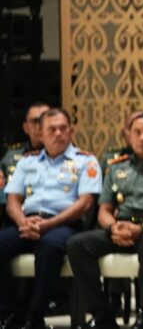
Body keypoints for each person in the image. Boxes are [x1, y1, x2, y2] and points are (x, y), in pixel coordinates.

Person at [67, 113, 143, 329]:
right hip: (121, 228)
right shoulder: (116, 167)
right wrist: (113, 227)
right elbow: (104, 210)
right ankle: (101, 314)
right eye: (137, 132)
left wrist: (141, 228)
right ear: (128, 136)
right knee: (77, 244)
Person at [0, 108, 102, 329]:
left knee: (49, 247)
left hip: (64, 224)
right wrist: (22, 222)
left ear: (71, 131)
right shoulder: (27, 161)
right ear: (41, 134)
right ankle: (11, 313)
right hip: (28, 222)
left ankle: (35, 315)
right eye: (52, 129)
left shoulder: (86, 161)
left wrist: (49, 224)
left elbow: (85, 203)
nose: (58, 134)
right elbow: (13, 200)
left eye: (63, 128)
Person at [1, 103, 50, 222]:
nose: (41, 126)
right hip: (15, 220)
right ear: (26, 128)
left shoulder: (69, 157)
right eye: (36, 121)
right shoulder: (10, 157)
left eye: (46, 120)